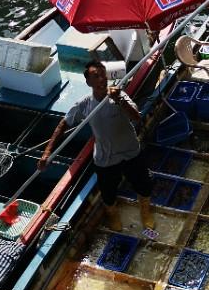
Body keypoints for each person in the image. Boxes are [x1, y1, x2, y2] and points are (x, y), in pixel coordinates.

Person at [38, 59, 154, 232]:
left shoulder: (120, 96)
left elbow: (136, 117)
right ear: (88, 82)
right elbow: (63, 124)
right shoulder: (84, 104)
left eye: (103, 75)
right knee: (108, 194)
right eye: (96, 76)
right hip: (105, 158)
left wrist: (120, 100)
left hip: (130, 152)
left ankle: (145, 212)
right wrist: (47, 152)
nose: (101, 79)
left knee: (143, 185)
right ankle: (113, 215)